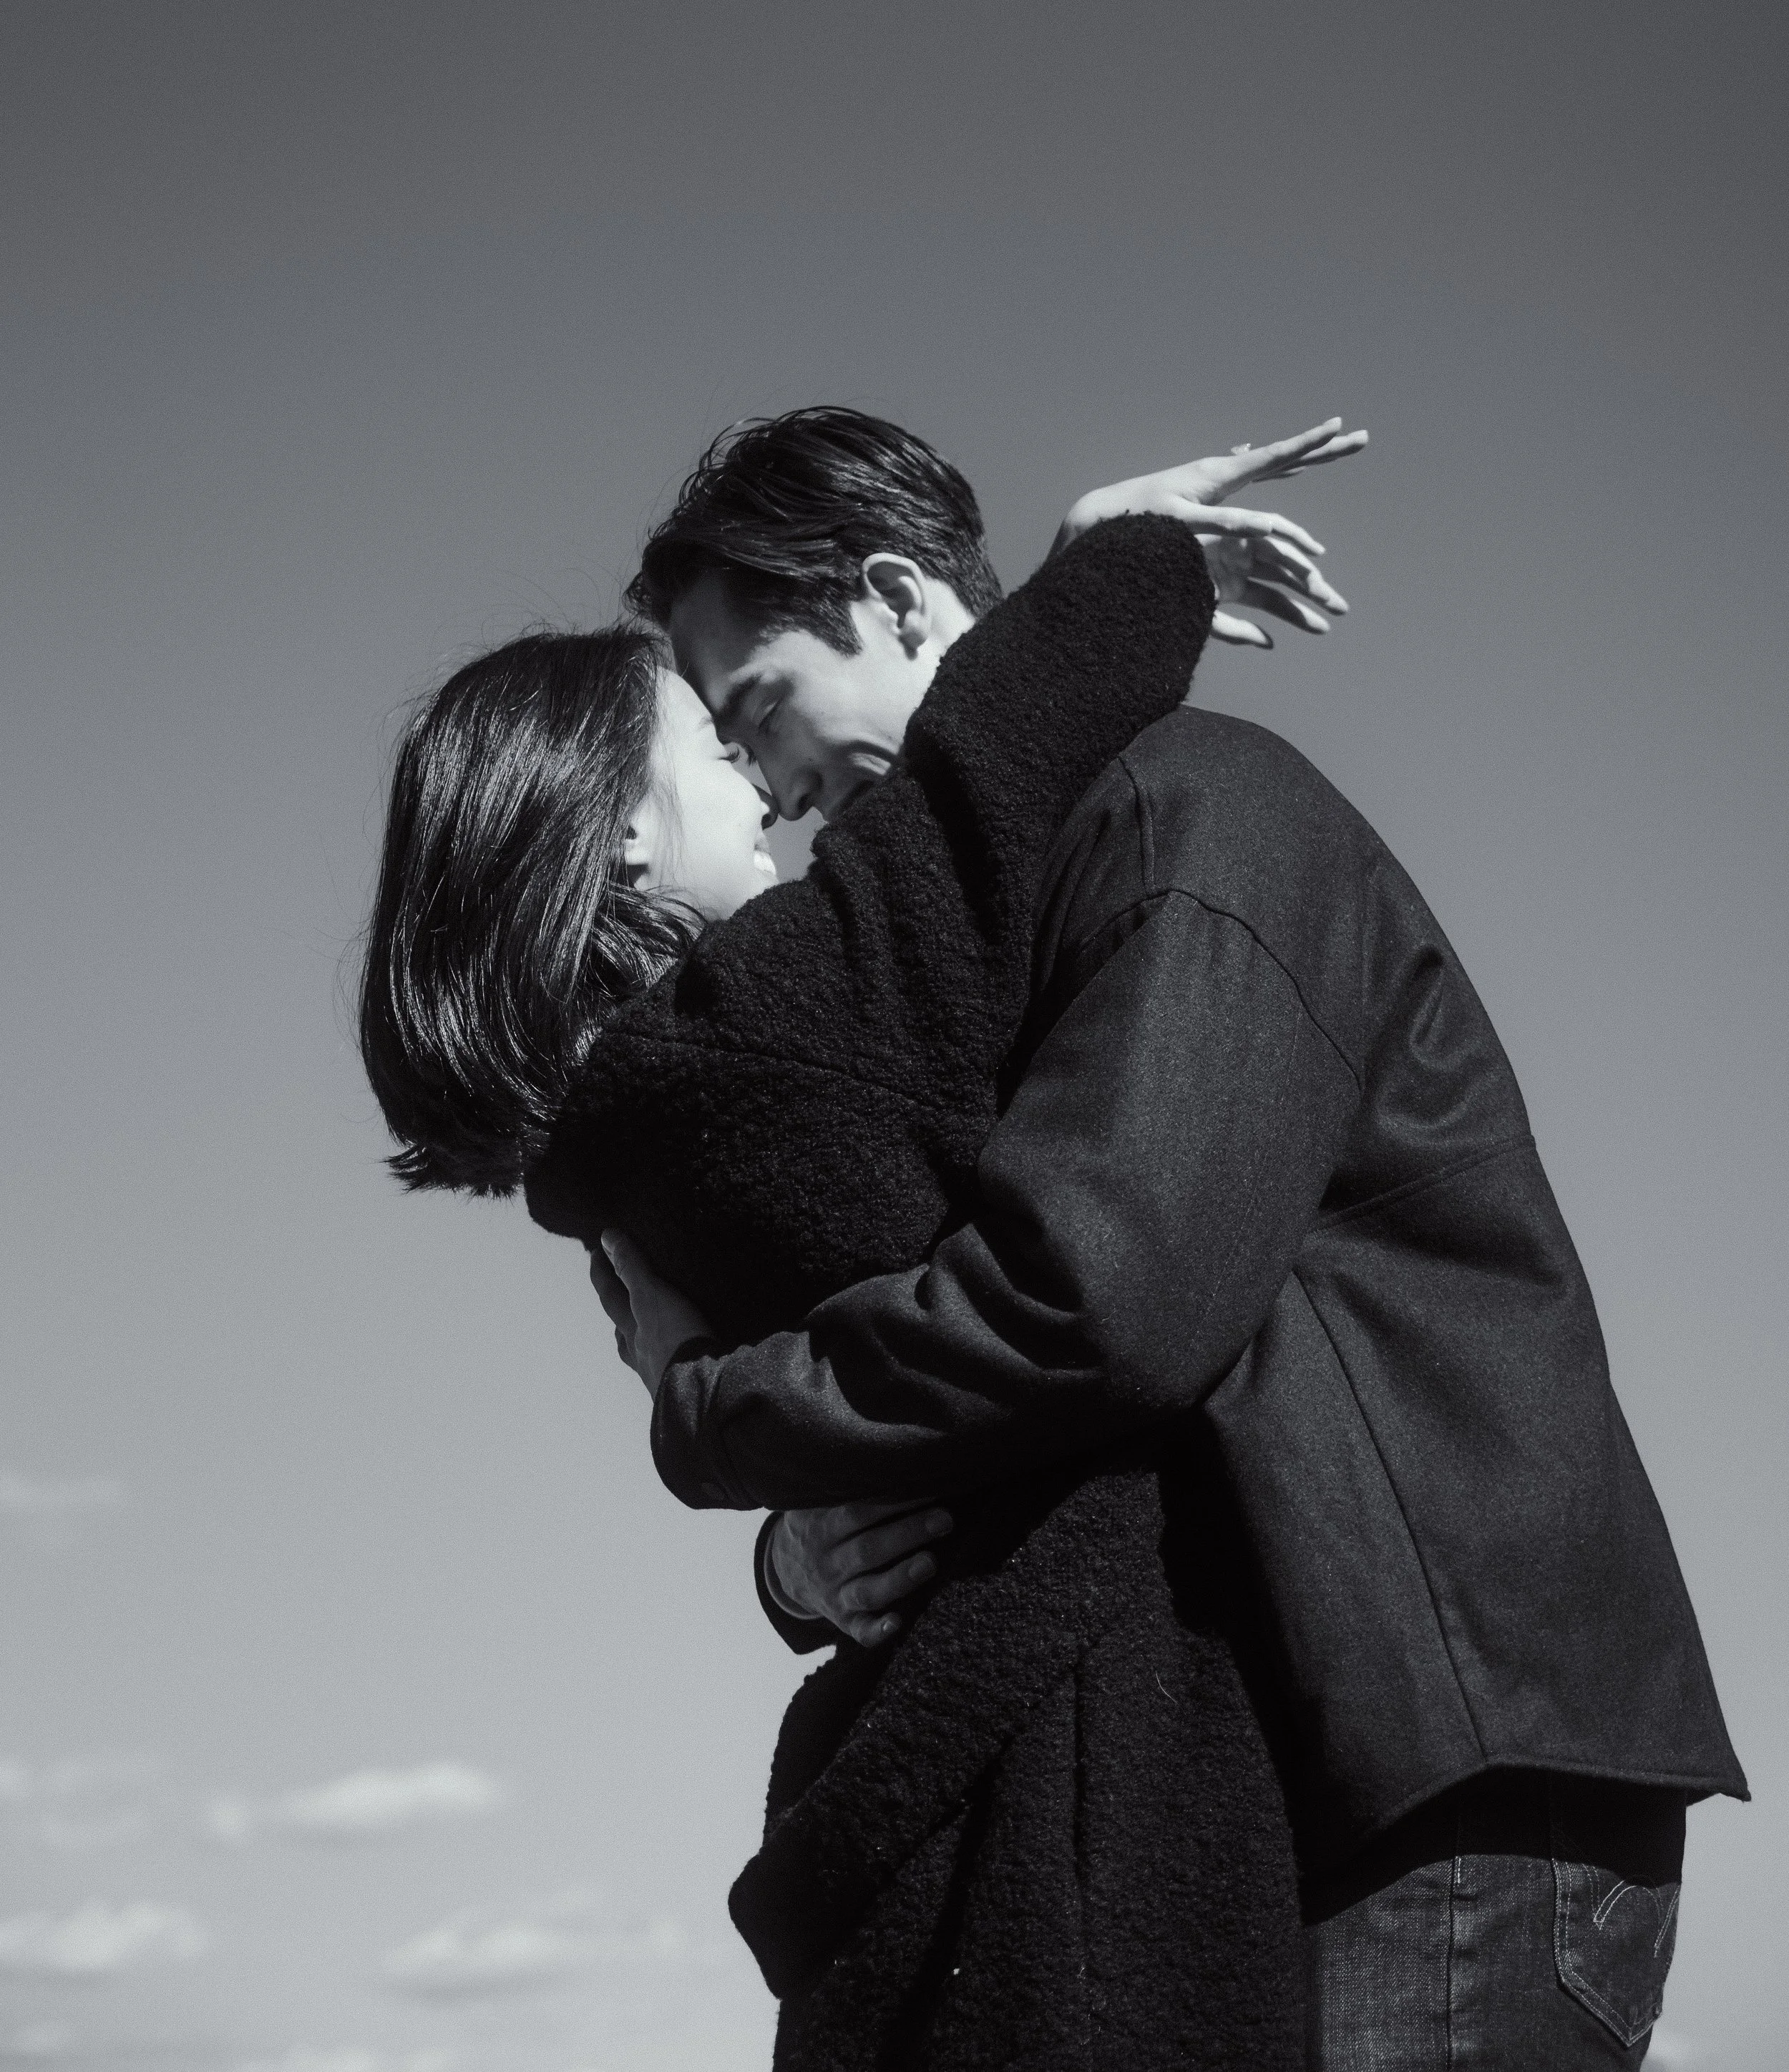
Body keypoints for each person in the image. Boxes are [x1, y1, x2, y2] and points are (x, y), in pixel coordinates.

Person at [599, 405, 1747, 2072]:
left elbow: (1091, 1304)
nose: (770, 792)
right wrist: (796, 1554)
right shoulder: (1035, 895)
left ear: (899, 601)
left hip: (1448, 1775)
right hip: (1337, 1756)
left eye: (760, 707)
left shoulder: (1184, 814)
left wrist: (710, 1415)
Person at [359, 431, 1349, 2068]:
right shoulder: (768, 1038)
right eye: (713, 737)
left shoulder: (621, 1167)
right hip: (1063, 1796)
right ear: (611, 834)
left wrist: (746, 1499)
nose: (762, 784)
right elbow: (967, 809)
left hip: (915, 1800)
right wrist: (1112, 564)